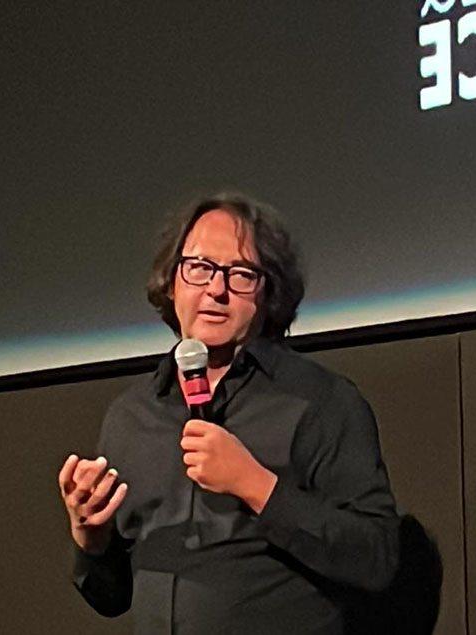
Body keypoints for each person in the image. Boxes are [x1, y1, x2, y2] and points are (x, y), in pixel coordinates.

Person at [58, 192, 400, 633]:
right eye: (199, 268)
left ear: (268, 291)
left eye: (240, 274)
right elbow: (112, 597)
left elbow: (377, 558)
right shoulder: (130, 417)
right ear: (172, 281)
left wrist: (254, 484)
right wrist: (91, 539)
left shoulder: (321, 401)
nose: (215, 289)